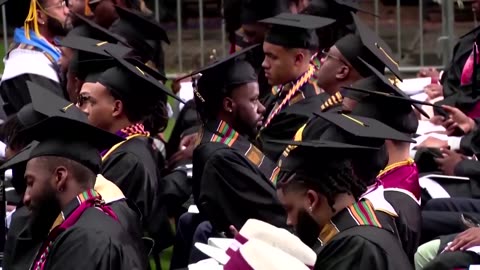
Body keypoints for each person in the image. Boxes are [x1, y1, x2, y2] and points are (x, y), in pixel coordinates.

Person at [0, 81, 146, 270]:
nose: (26, 197)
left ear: (60, 177)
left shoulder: (85, 240)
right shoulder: (85, 223)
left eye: (31, 183)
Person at [77, 49, 180, 252]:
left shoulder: (128, 160)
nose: (84, 109)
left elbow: (98, 220)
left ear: (116, 108)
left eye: (92, 102)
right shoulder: (127, 145)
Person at [274, 139, 412, 269]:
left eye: (289, 209)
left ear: (311, 199)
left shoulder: (356, 247)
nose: (289, 221)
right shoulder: (356, 228)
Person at [255, 13, 335, 161]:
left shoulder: (305, 108)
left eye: (272, 57)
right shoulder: (287, 86)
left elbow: (260, 155)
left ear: (298, 59)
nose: (264, 64)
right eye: (264, 56)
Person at [0, 0, 69, 116]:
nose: (67, 11)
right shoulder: (28, 62)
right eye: (60, 5)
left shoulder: (53, 44)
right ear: (39, 16)